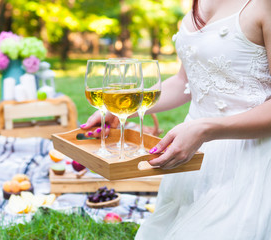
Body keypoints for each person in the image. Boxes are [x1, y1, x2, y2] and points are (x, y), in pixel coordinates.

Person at [80, 0, 271, 238]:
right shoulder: (198, 3)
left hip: (250, 158)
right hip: (192, 156)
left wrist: (206, 129)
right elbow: (186, 81)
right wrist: (123, 107)